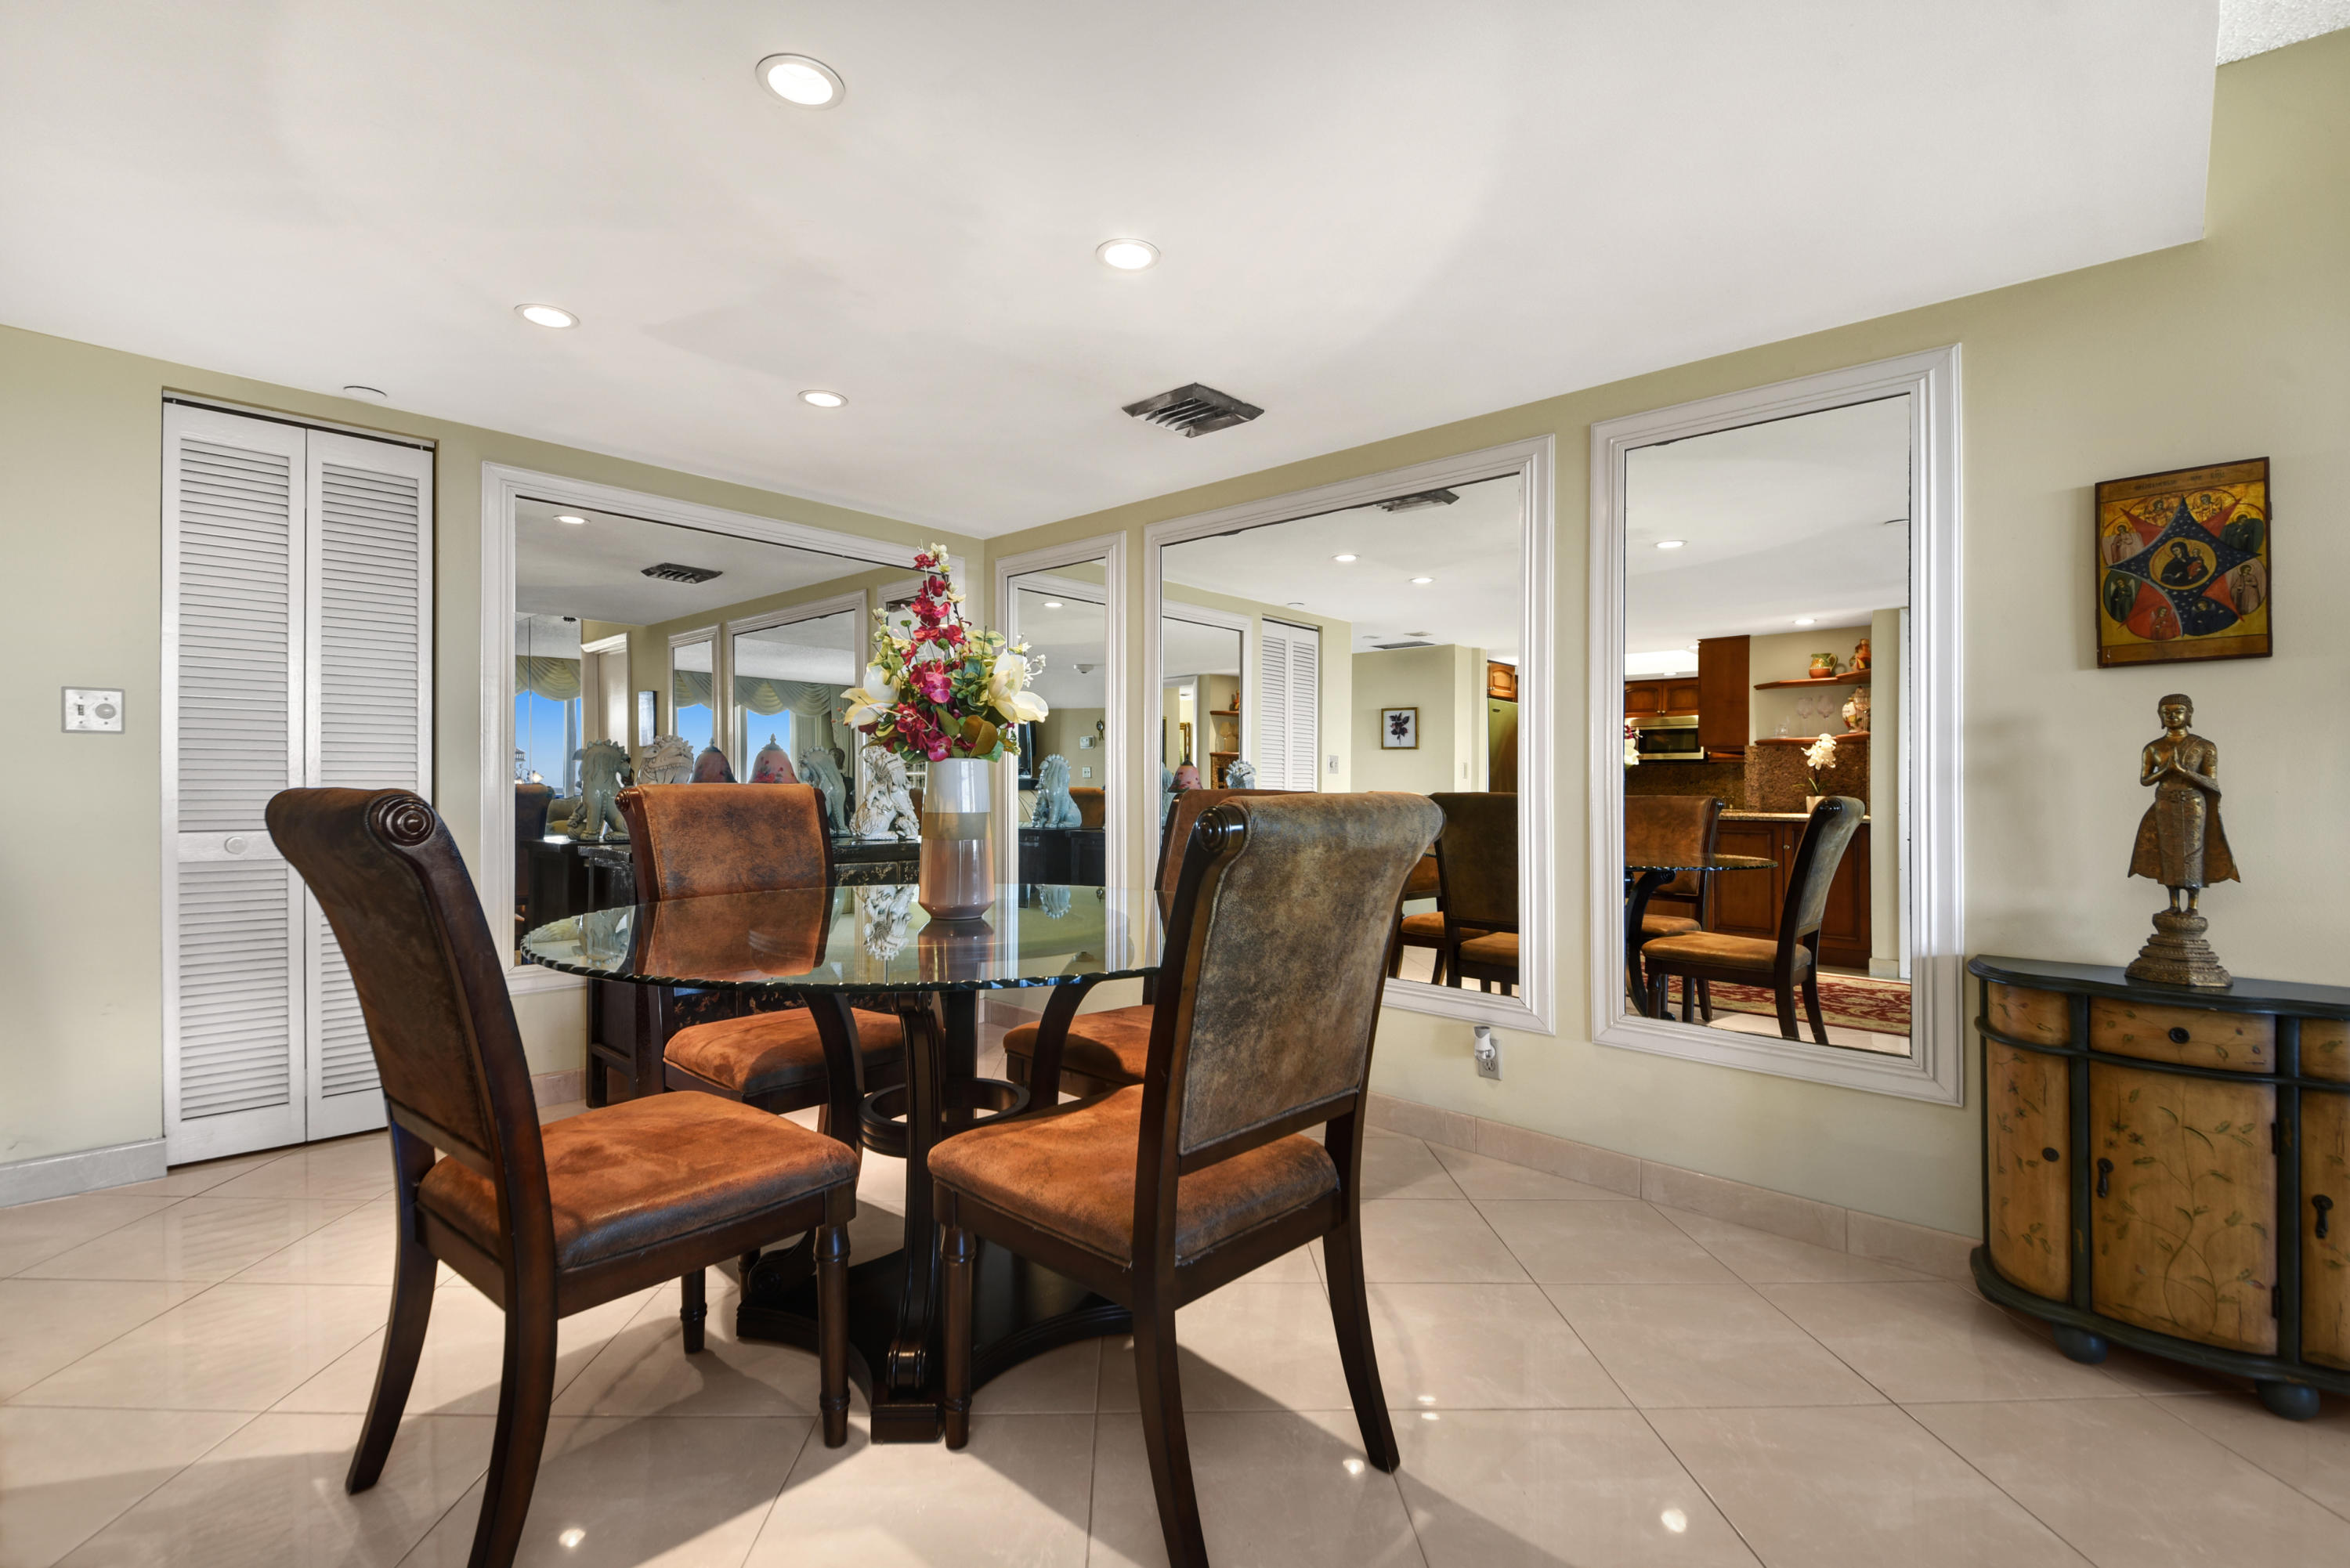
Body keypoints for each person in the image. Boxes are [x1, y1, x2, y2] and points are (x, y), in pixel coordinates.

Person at [2128, 694, 2236, 913]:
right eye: (2166, 712)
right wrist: (2165, 772)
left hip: (2193, 804)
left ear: (2189, 714)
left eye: (2178, 711)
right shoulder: (2154, 748)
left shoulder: (2204, 746)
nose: (2172, 716)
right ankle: (2174, 904)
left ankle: (2193, 905)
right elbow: (2145, 780)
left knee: (2193, 851)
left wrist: (2183, 772)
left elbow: (2212, 782)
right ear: (2160, 716)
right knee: (2168, 851)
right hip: (2165, 803)